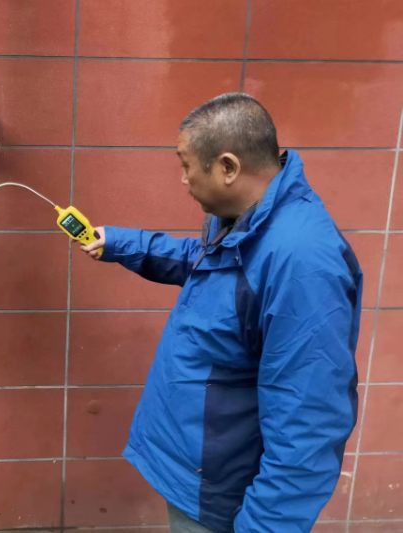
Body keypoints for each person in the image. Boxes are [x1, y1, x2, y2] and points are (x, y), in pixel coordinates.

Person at [81, 93, 361, 533]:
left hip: (223, 497)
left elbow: (307, 423)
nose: (183, 178)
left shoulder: (302, 263)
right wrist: (119, 243)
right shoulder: (245, 217)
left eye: (186, 164)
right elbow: (205, 264)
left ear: (228, 167)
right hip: (195, 471)